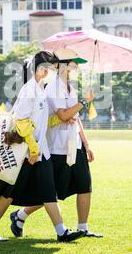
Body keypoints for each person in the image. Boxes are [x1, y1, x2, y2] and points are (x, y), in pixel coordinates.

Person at [0, 50, 85, 243]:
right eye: (52, 68)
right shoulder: (29, 90)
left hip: (37, 152)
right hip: (28, 153)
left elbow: (39, 121)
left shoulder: (39, 90)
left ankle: (61, 232)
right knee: (13, 192)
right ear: (41, 70)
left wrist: (58, 121)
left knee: (45, 191)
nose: (54, 71)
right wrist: (34, 149)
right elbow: (21, 121)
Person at [10, 48, 103, 239]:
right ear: (60, 65)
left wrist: (86, 144)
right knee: (55, 192)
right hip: (58, 147)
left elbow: (75, 118)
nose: (75, 65)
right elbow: (63, 115)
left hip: (74, 144)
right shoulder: (53, 87)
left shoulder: (72, 88)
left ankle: (83, 227)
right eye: (72, 62)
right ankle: (20, 215)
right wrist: (85, 103)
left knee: (85, 186)